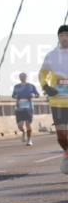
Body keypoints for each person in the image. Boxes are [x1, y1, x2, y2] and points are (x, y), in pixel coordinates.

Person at [39, 24, 68, 174]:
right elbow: (42, 73)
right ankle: (67, 153)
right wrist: (45, 86)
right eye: (61, 35)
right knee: (61, 136)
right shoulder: (51, 56)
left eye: (66, 35)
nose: (64, 38)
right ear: (58, 38)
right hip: (57, 101)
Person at [11, 72, 40, 146]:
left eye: (23, 76)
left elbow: (37, 95)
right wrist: (16, 96)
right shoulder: (16, 86)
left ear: (26, 77)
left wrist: (33, 95)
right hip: (19, 107)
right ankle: (23, 132)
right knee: (20, 125)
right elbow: (13, 95)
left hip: (28, 106)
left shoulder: (31, 86)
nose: (22, 77)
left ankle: (29, 140)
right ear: (19, 78)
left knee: (28, 123)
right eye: (21, 76)